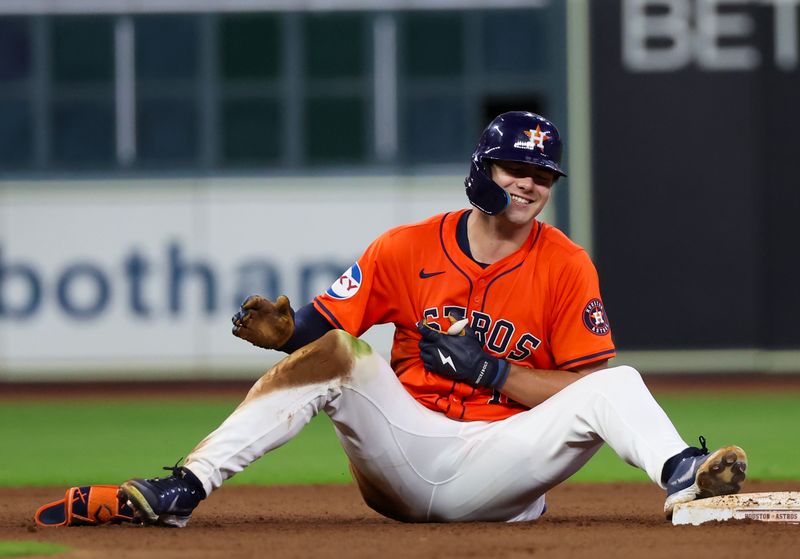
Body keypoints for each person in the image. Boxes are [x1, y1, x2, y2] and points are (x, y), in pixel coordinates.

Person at [119, 111, 746, 527]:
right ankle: (187, 487)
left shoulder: (566, 264)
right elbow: (323, 324)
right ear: (483, 171)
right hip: (405, 443)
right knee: (341, 350)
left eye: (542, 176)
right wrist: (288, 334)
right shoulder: (404, 247)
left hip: (503, 467)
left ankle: (683, 477)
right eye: (515, 171)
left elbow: (590, 389)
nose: (529, 186)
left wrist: (497, 373)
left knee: (620, 380)